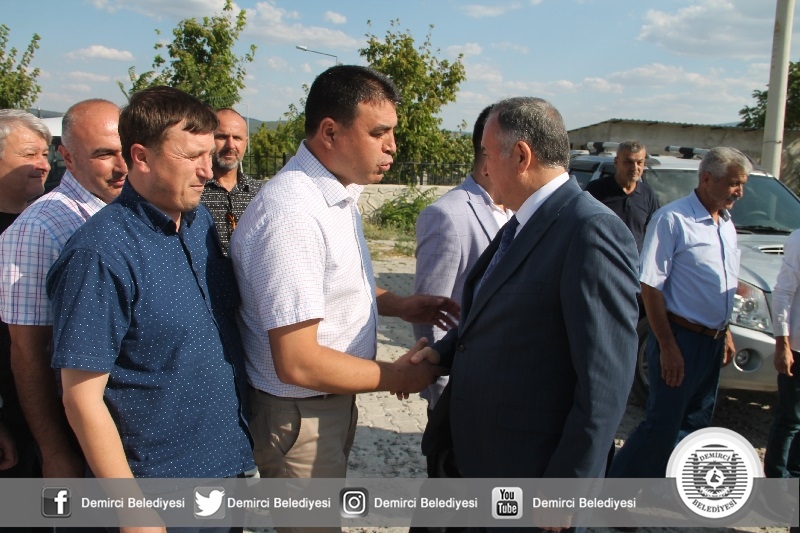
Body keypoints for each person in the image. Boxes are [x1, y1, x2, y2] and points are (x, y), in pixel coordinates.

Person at [230, 65, 455, 496]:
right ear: (330, 133)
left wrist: (397, 305)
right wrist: (397, 377)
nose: (392, 146)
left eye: (392, 132)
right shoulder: (294, 214)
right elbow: (297, 361)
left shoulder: (335, 194)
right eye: (378, 133)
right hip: (301, 411)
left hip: (325, 402)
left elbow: (323, 285)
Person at [412, 97, 640, 483]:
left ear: (521, 156)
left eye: (488, 154)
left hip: (532, 470)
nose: (484, 168)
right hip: (481, 457)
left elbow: (605, 382)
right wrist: (440, 351)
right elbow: (502, 318)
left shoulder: (590, 230)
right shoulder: (525, 222)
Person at [48, 87, 254, 501]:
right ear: (141, 157)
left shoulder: (198, 224)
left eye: (209, 155)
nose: (207, 171)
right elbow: (82, 397)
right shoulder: (99, 253)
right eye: (191, 157)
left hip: (224, 465)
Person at [0, 99, 127, 481]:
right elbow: (28, 352)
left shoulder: (124, 211)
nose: (122, 165)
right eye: (104, 154)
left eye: (126, 150)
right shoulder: (40, 228)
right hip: (79, 439)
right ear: (68, 157)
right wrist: (54, 450)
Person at [609, 146, 750, 479]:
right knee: (662, 426)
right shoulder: (673, 220)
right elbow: (651, 286)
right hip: (680, 339)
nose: (739, 192)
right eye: (734, 183)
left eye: (742, 184)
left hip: (711, 342)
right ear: (707, 179)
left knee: (695, 425)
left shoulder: (725, 224)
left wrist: (726, 331)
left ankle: (663, 489)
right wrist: (668, 346)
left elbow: (721, 283)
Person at [413, 104, 509, 479]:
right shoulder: (449, 215)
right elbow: (430, 314)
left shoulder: (514, 211)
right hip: (458, 395)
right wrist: (442, 389)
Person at [0, 109, 50, 484]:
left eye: (46, 154)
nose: (43, 164)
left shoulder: (47, 222)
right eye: (29, 154)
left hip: (48, 408)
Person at [201, 108, 262, 255]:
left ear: (246, 143)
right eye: (222, 137)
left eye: (237, 138)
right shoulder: (194, 190)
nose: (230, 145)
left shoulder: (259, 194)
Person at [765, 227, 800, 479]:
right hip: (797, 349)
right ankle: (777, 482)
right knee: (791, 419)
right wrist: (783, 344)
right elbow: (783, 293)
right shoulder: (798, 239)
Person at [584, 140, 659, 253]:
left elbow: (654, 233)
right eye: (628, 162)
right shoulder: (596, 190)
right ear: (616, 162)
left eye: (639, 162)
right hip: (604, 259)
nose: (635, 168)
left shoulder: (647, 194)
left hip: (635, 262)